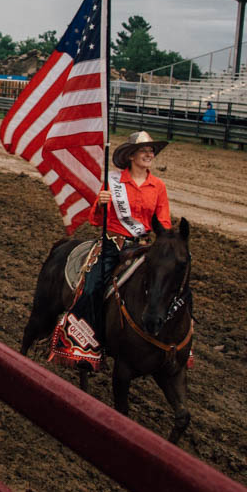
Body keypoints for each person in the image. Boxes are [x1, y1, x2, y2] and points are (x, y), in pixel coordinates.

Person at [53, 132, 171, 370]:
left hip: (142, 246)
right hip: (113, 244)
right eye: (144, 150)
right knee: (92, 287)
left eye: (151, 151)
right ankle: (85, 343)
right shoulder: (113, 183)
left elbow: (164, 224)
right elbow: (96, 220)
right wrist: (101, 204)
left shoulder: (158, 186)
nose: (149, 154)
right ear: (130, 156)